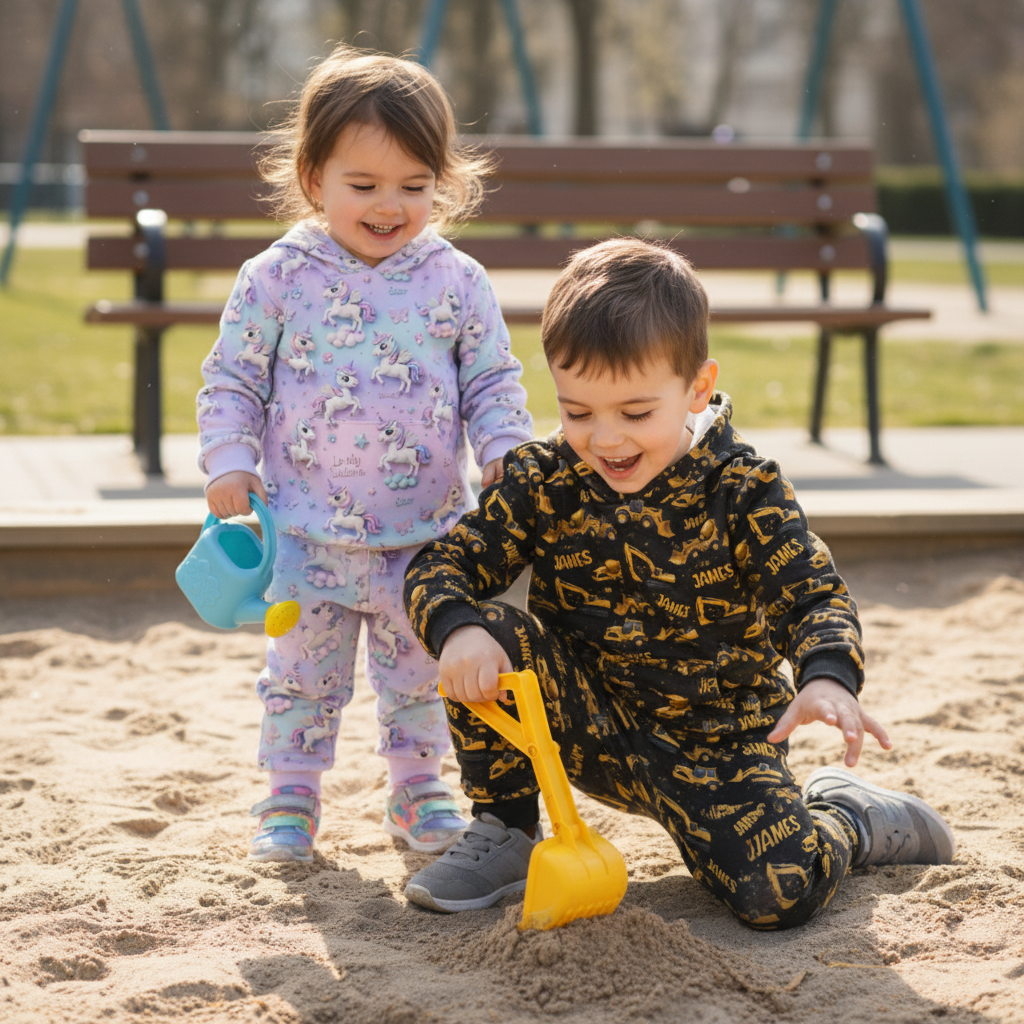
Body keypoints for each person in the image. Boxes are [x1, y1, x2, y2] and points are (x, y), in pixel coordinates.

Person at [400, 237, 954, 927]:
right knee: (490, 631)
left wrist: (827, 674)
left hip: (717, 744)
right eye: (578, 411)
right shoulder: (544, 480)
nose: (605, 439)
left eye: (635, 413)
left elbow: (812, 592)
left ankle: (848, 815)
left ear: (696, 386)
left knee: (778, 893)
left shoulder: (744, 488)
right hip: (591, 722)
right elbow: (442, 565)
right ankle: (506, 828)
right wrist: (456, 628)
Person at [196, 44, 532, 863]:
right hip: (306, 534)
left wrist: (506, 451)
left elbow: (492, 379)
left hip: (423, 538)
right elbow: (233, 377)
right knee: (301, 678)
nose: (391, 206)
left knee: (419, 676)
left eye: (415, 187)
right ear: (313, 178)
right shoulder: (276, 277)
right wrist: (230, 457)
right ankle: (290, 798)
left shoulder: (456, 280)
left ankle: (418, 791)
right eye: (365, 185)